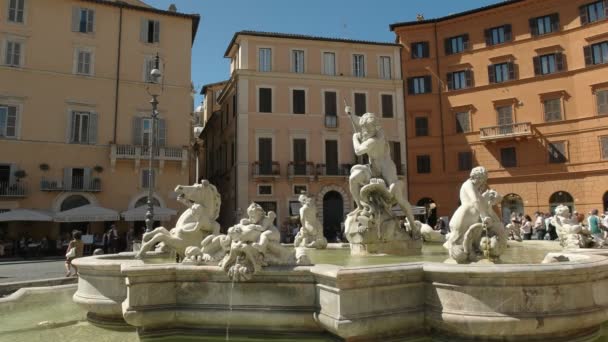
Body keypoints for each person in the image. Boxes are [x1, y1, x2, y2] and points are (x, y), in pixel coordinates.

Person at [346, 108, 417, 230]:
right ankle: (359, 206)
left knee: (399, 198)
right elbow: (359, 120)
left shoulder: (376, 139)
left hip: (386, 169)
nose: (365, 131)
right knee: (353, 178)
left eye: (368, 128)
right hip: (372, 169)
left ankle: (412, 224)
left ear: (376, 127)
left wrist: (354, 138)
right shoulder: (368, 131)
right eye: (364, 128)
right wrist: (351, 114)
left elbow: (358, 151)